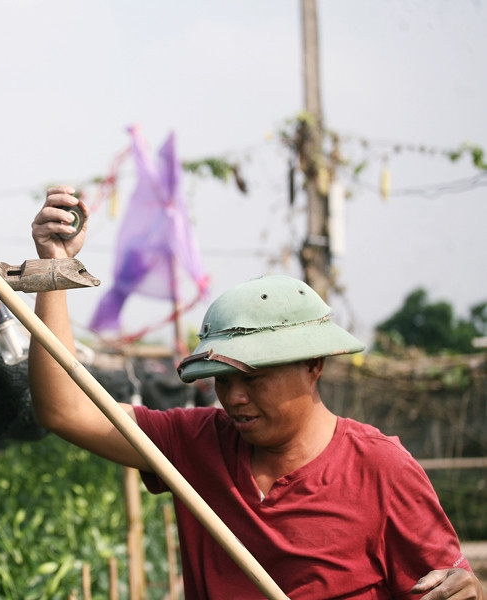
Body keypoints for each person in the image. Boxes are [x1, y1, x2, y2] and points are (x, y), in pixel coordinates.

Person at [28, 185, 484, 599]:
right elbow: (64, 410)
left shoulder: (381, 470)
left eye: (254, 377)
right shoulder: (194, 445)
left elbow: (450, 585)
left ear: (314, 365)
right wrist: (52, 267)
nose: (234, 397)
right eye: (223, 379)